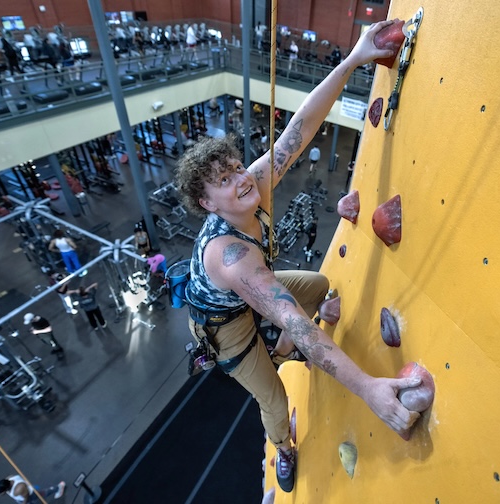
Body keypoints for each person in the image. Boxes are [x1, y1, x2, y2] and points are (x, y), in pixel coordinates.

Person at [173, 20, 419, 494]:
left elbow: (299, 127)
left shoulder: (254, 184)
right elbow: (298, 322)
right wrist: (368, 388)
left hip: (250, 296)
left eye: (234, 168)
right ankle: (283, 447)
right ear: (207, 204)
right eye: (222, 182)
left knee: (322, 285)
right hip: (224, 327)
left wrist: (355, 57)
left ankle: (280, 348)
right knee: (274, 395)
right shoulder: (230, 256)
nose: (239, 179)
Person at [0, 475, 65, 503]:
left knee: (44, 493)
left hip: (31, 495)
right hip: (21, 496)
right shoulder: (9, 478)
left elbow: (26, 497)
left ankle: (58, 487)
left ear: (6, 489)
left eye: (1, 493)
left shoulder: (18, 489)